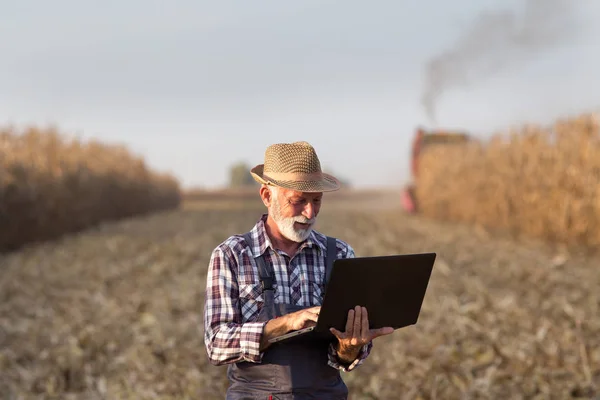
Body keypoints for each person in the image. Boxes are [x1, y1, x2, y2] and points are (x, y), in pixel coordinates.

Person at [203, 141, 393, 399]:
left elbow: (345, 358)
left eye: (317, 200)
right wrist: (285, 324)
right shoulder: (232, 256)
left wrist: (349, 349)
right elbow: (216, 345)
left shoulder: (340, 255)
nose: (310, 211)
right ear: (267, 196)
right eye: (298, 200)